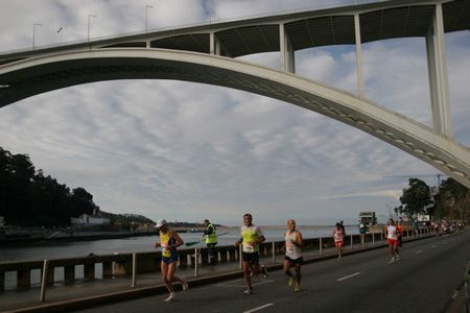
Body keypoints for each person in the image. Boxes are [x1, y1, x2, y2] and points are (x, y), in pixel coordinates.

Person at [154, 219, 188, 302]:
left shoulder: (171, 232)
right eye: (159, 227)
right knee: (164, 279)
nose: (160, 229)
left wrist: (171, 246)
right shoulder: (160, 233)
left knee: (169, 278)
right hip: (164, 256)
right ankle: (172, 294)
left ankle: (182, 281)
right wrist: (158, 244)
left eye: (161, 227)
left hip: (172, 256)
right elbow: (163, 243)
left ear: (165, 225)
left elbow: (181, 242)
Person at [234, 213, 267, 295]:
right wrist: (238, 242)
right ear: (243, 220)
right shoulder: (242, 228)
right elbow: (242, 238)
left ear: (252, 219)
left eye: (249, 218)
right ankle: (249, 288)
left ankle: (262, 270)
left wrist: (255, 242)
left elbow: (263, 238)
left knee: (255, 273)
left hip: (254, 252)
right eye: (246, 219)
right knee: (245, 271)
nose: (247, 220)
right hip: (245, 252)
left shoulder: (256, 228)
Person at [283, 219, 304, 292]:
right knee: (285, 270)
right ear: (288, 225)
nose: (293, 225)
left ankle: (298, 284)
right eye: (292, 224)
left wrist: (295, 242)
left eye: (294, 224)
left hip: (297, 255)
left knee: (297, 270)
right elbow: (286, 241)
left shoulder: (298, 234)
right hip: (288, 255)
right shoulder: (286, 233)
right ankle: (292, 277)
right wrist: (283, 247)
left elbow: (302, 245)